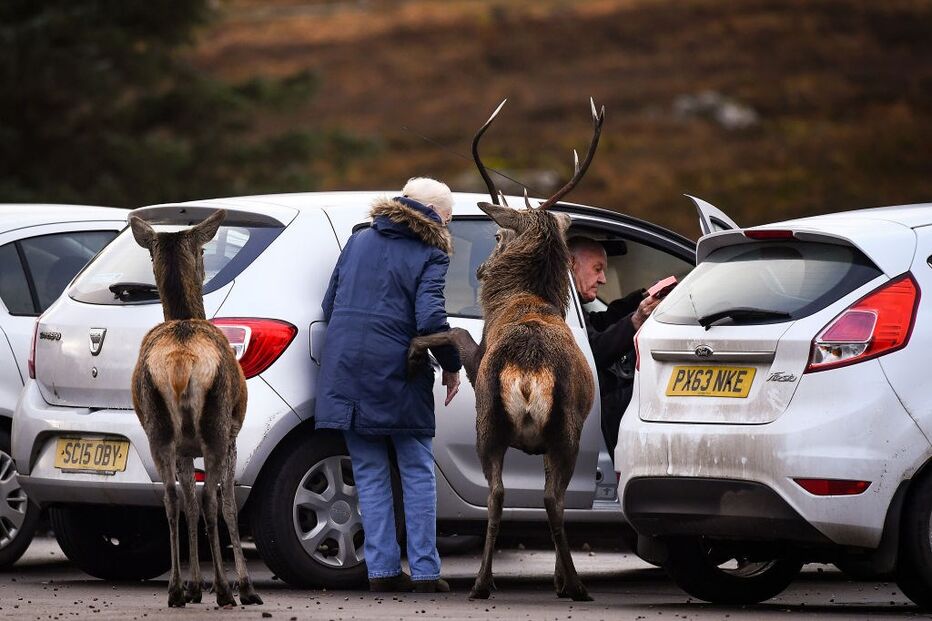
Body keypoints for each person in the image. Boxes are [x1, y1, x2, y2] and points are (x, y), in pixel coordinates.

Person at [315, 177, 462, 593]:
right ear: (438, 216)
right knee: (416, 471)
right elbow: (431, 320)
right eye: (448, 218)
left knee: (369, 472)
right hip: (398, 370)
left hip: (344, 369)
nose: (448, 226)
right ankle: (426, 572)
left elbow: (330, 304)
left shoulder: (359, 239)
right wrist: (452, 365)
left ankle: (381, 571)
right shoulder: (431, 252)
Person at [568, 236, 661, 458]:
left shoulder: (570, 302)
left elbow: (598, 324)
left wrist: (640, 299)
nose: (603, 279)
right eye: (597, 269)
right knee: (650, 390)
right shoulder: (557, 303)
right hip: (587, 405)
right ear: (571, 264)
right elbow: (591, 352)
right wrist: (635, 321)